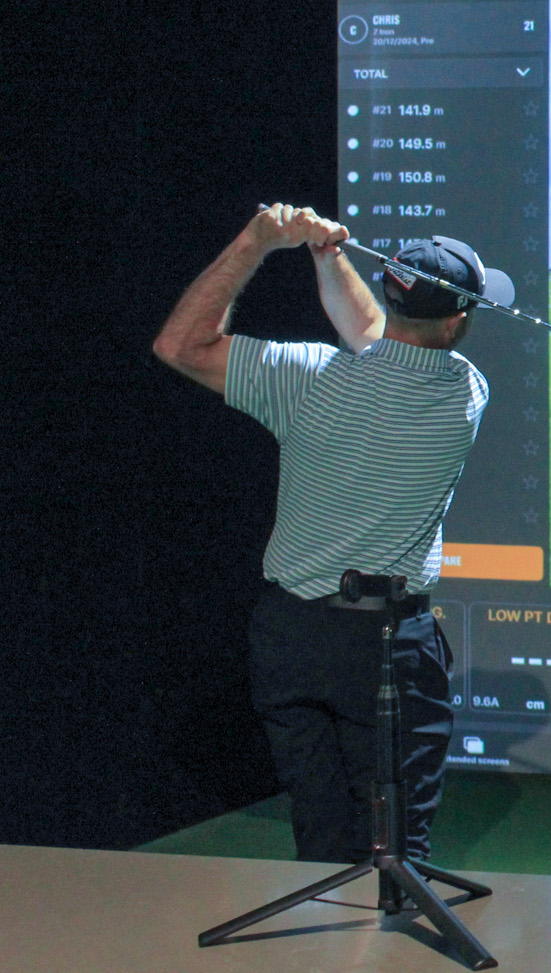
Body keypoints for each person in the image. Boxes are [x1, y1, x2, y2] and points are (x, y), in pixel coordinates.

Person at [153, 204, 505, 864]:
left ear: (392, 290)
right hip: (387, 648)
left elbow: (181, 344)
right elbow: (381, 340)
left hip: (290, 639)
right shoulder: (464, 391)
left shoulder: (305, 376)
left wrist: (257, 242)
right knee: (396, 854)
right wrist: (325, 258)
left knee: (321, 844)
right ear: (457, 318)